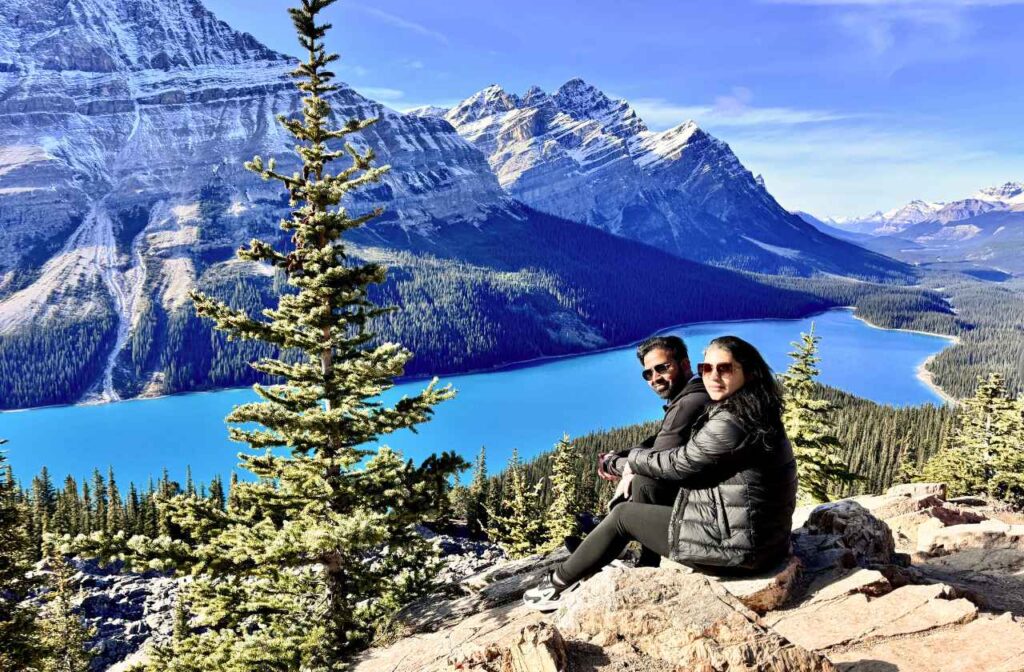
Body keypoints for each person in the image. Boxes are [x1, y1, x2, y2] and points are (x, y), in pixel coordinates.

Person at [524, 335, 798, 612]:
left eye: (724, 368)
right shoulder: (748, 407)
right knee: (646, 484)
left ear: (748, 371)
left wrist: (626, 463)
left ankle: (556, 584)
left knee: (622, 518)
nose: (713, 376)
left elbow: (677, 463)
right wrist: (634, 464)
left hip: (743, 550)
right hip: (758, 536)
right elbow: (677, 455)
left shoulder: (732, 420)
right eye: (708, 368)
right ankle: (645, 566)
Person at [583, 335, 711, 567]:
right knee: (642, 478)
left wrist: (616, 466)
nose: (655, 378)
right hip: (698, 491)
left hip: (704, 505)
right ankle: (621, 541)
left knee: (644, 480)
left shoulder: (689, 403)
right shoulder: (695, 392)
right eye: (648, 373)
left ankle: (625, 544)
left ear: (684, 364)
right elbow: (661, 440)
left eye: (662, 368)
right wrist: (622, 456)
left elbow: (656, 461)